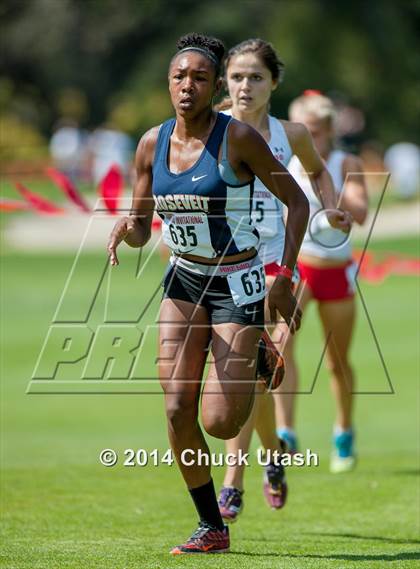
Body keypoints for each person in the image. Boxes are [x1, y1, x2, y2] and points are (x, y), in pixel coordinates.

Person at [107, 33, 309, 555]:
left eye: (199, 77)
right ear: (168, 83)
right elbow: (141, 223)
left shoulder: (237, 138)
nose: (187, 85)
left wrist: (284, 276)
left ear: (213, 84)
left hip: (237, 280)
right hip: (183, 280)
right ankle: (210, 526)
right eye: (179, 76)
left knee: (220, 423)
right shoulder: (151, 143)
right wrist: (125, 228)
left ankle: (261, 351)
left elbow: (297, 204)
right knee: (176, 408)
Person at [215, 39, 352, 522]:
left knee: (245, 377)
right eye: (236, 76)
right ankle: (273, 458)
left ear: (274, 83)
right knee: (245, 380)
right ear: (224, 82)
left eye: (255, 77)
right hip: (221, 265)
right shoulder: (210, 126)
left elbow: (317, 174)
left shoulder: (290, 133)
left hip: (274, 264)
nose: (245, 86)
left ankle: (232, 481)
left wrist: (331, 207)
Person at [275, 91, 368, 473]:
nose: (307, 138)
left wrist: (331, 187)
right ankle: (286, 432)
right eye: (301, 131)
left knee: (337, 361)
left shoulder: (346, 162)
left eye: (314, 131)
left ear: (329, 130)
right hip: (298, 268)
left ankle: (343, 430)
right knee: (280, 352)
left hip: (335, 269)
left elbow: (360, 212)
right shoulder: (284, 162)